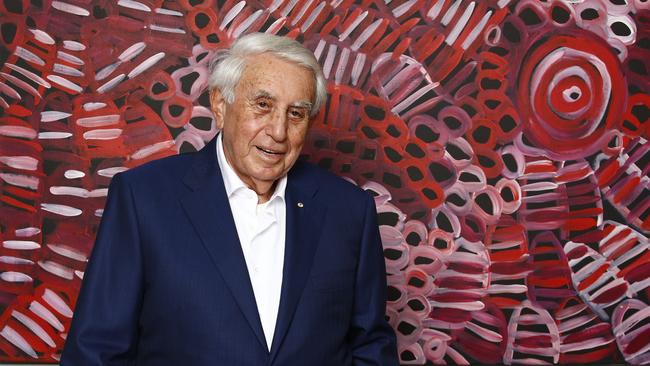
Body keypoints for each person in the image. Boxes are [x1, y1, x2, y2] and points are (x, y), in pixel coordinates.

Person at [60, 33, 398, 365]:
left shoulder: (349, 211)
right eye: (263, 105)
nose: (278, 131)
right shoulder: (142, 199)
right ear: (221, 105)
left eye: (296, 114)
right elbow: (95, 352)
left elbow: (370, 345)